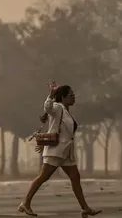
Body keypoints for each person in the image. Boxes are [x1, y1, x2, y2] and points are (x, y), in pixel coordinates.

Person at [18, 80, 102, 217]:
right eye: (71, 95)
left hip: (66, 152)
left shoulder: (66, 111)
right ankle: (25, 203)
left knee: (75, 178)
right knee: (42, 177)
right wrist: (51, 94)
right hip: (56, 151)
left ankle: (85, 208)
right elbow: (47, 108)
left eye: (73, 94)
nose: (73, 97)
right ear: (63, 97)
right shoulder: (57, 107)